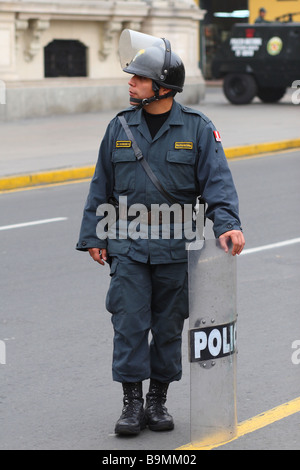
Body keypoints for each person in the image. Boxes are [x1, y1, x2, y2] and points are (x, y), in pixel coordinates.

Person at [76, 29, 245, 436]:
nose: (130, 83)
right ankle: (131, 402)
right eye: (131, 77)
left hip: (177, 252)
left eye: (138, 78)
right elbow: (101, 184)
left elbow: (217, 183)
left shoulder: (198, 128)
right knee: (129, 323)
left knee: (168, 327)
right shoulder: (119, 128)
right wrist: (94, 236)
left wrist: (229, 225)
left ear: (161, 87)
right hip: (129, 248)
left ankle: (158, 399)